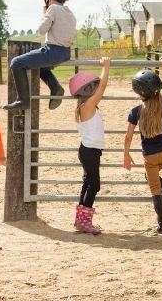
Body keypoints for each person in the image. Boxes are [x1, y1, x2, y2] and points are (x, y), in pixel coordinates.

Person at [124, 58, 162, 235]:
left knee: (155, 189)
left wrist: (126, 154)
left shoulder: (136, 112)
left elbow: (128, 136)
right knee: (152, 177)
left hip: (150, 156)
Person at [5, 0, 75, 110]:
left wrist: (45, 14)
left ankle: (23, 100)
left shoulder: (53, 9)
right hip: (65, 53)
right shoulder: (70, 13)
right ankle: (55, 88)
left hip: (53, 51)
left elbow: (41, 30)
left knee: (16, 63)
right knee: (41, 67)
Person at [69, 57, 110, 234]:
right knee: (94, 185)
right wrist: (106, 67)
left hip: (89, 150)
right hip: (90, 151)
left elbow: (99, 89)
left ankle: (80, 221)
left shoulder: (85, 105)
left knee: (88, 183)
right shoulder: (88, 105)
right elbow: (102, 87)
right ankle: (85, 223)